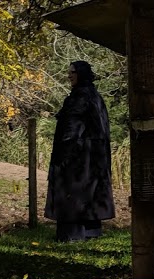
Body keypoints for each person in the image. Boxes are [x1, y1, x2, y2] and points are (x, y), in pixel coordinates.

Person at [45, 60, 116, 242]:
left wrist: (64, 154)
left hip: (79, 156)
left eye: (73, 72)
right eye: (69, 72)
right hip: (93, 157)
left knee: (73, 191)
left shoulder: (81, 96)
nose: (69, 75)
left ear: (81, 74)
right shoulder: (94, 95)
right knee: (88, 191)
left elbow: (73, 126)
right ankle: (90, 232)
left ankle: (73, 235)